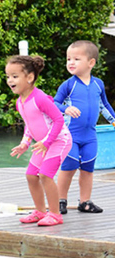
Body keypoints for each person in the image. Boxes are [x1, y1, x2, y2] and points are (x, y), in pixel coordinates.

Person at [6, 55, 72, 226]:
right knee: (31, 175)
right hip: (43, 144)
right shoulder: (20, 102)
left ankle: (55, 214)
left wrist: (47, 142)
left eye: (14, 76)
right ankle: (41, 212)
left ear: (29, 78)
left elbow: (59, 120)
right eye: (8, 77)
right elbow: (30, 125)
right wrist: (24, 144)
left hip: (59, 141)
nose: (10, 80)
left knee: (45, 175)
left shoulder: (40, 98)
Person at [54, 40, 115, 214]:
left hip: (90, 136)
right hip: (70, 135)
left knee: (88, 167)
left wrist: (114, 121)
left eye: (76, 59)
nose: (70, 62)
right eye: (68, 59)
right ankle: (60, 201)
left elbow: (104, 106)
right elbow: (54, 104)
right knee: (70, 165)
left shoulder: (98, 84)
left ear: (91, 63)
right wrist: (66, 108)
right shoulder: (68, 85)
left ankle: (85, 202)